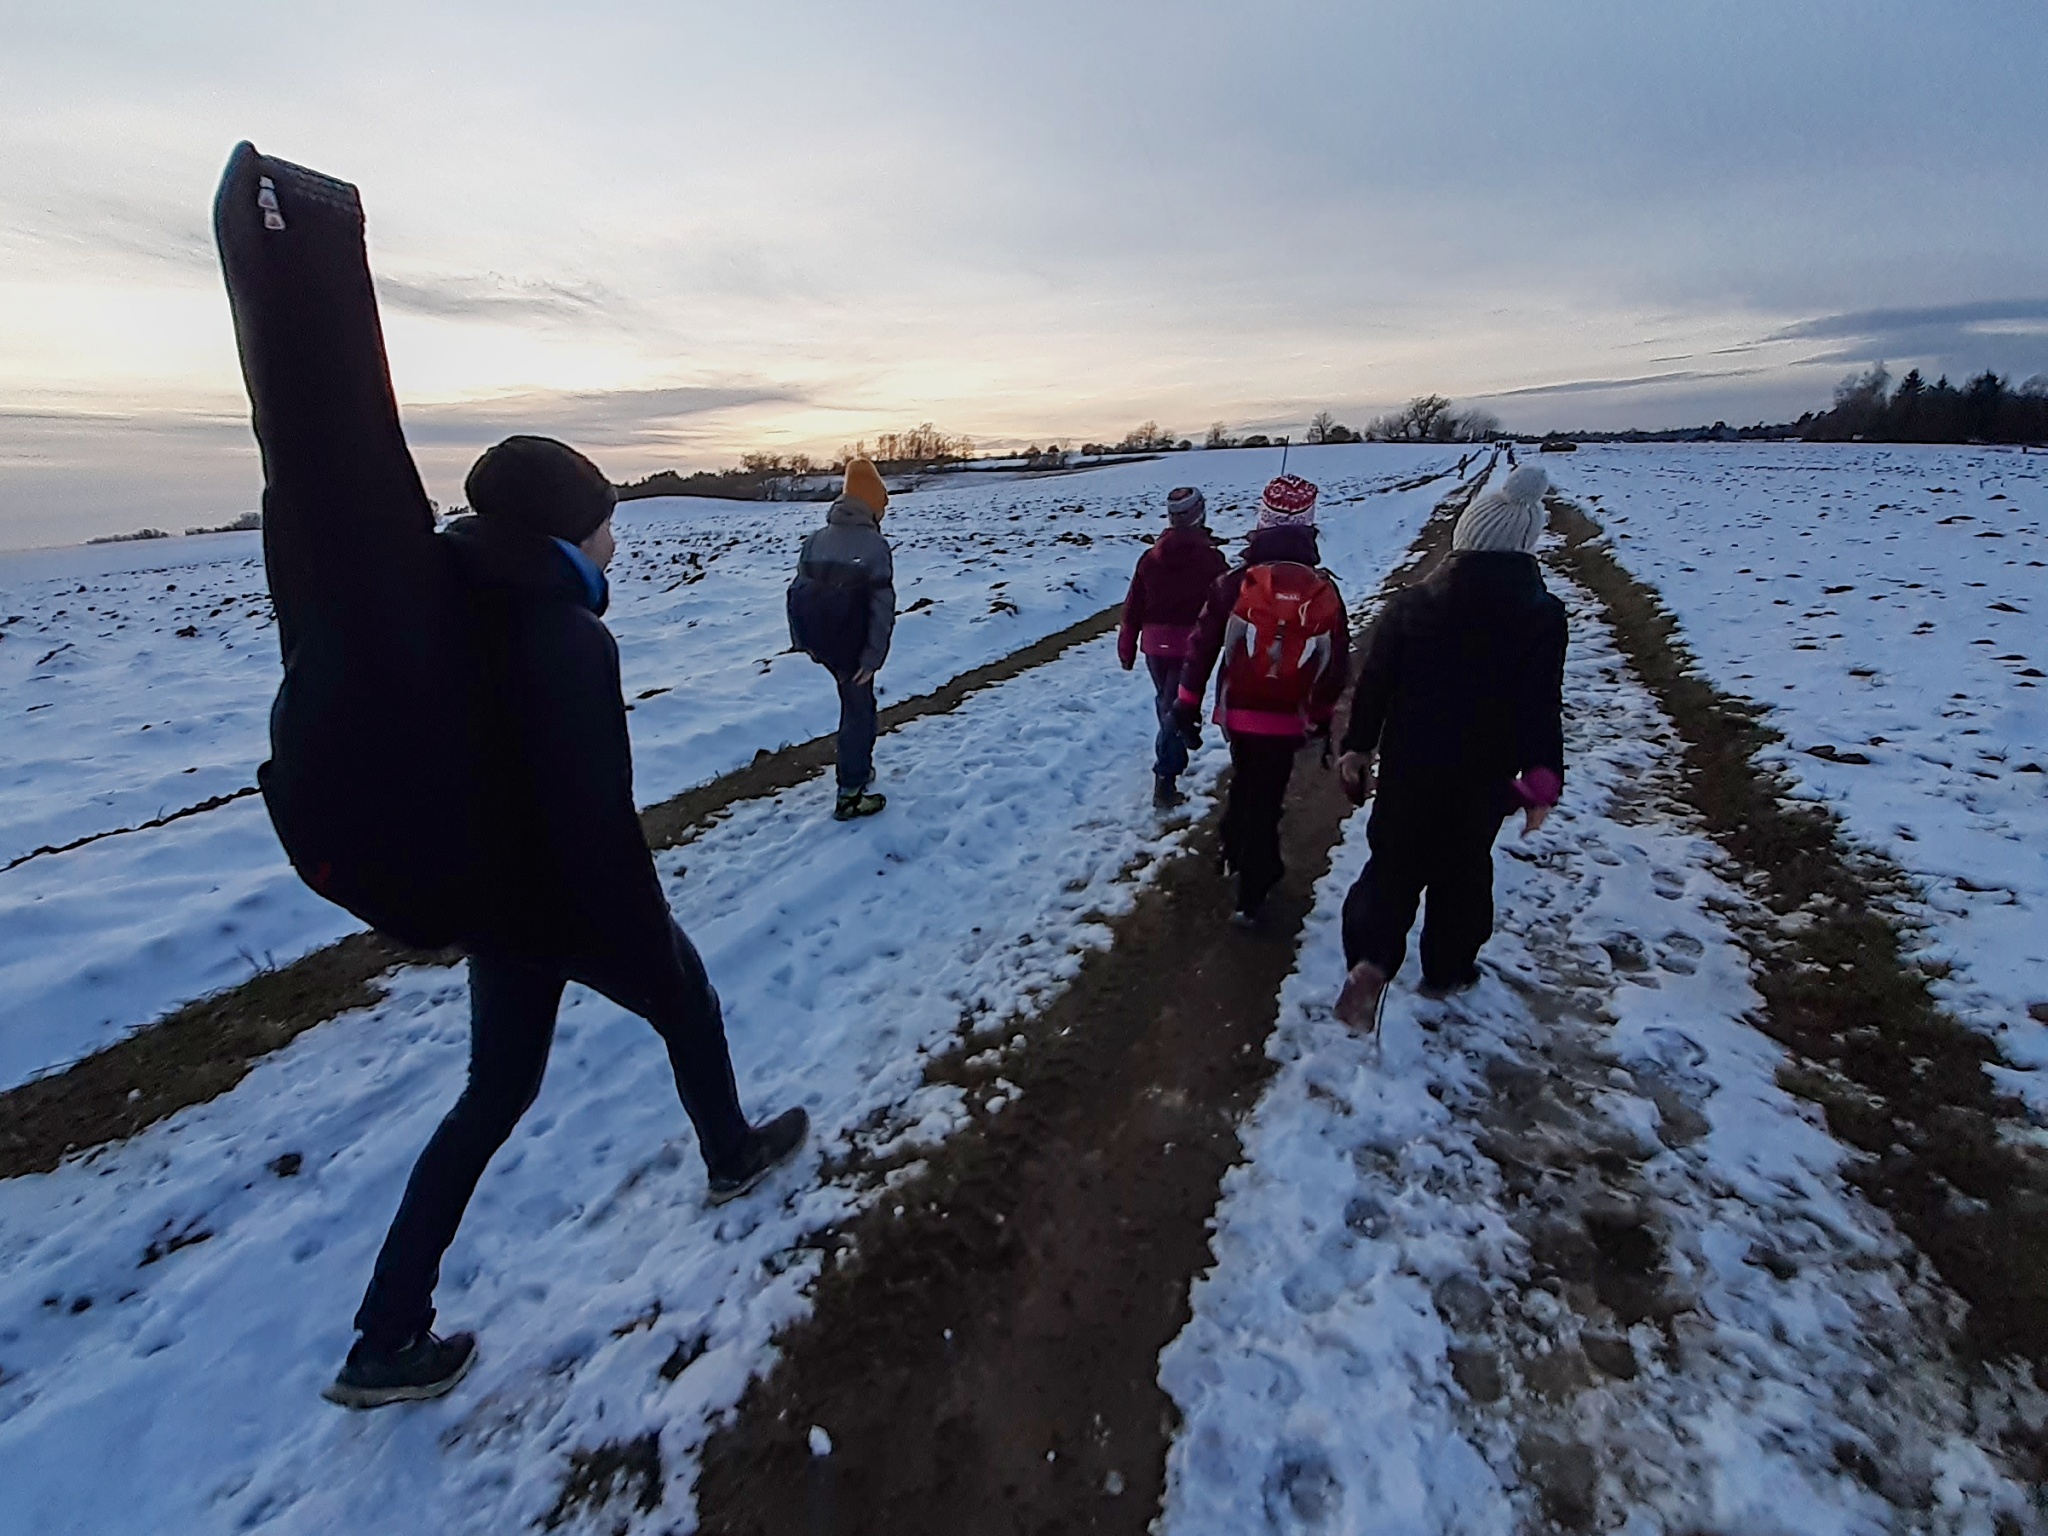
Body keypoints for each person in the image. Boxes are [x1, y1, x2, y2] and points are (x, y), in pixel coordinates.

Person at [326, 436, 808, 1410]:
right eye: (605, 522)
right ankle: (730, 1155)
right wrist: (642, 932)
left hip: (494, 907)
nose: (615, 539)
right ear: (567, 532)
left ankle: (385, 1334)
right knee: (688, 1003)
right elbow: (595, 816)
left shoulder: (453, 606)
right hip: (567, 901)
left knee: (491, 1096)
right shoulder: (564, 635)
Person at [1333, 464, 1567, 1030]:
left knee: (1392, 864)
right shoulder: (1542, 616)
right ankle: (1446, 971)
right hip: (1485, 775)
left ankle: (1370, 960)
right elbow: (1540, 702)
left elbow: (1375, 684)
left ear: (1466, 536)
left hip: (1410, 765)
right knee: (1463, 872)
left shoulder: (1413, 604)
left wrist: (1358, 748)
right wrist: (1541, 778)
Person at [1175, 473, 1349, 925]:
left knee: (1247, 774)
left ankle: (1234, 847)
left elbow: (1201, 647)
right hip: (1290, 717)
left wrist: (1187, 702)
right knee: (1267, 794)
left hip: (1239, 711)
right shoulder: (1324, 590)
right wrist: (1322, 717)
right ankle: (1254, 888)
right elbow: (1336, 665)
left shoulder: (1233, 583)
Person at [789, 459, 896, 821]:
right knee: (859, 714)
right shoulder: (875, 546)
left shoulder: (816, 539)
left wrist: (804, 642)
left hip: (825, 643)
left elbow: (797, 593)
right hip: (855, 647)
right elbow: (882, 608)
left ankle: (858, 768)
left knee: (851, 706)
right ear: (872, 503)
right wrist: (873, 658)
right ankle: (850, 793)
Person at [1117, 486, 1229, 806]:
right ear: (1199, 514)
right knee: (1176, 706)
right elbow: (1226, 601)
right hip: (1191, 645)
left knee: (1167, 702)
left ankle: (1180, 737)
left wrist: (1127, 646)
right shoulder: (1210, 559)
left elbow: (1133, 605)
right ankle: (1165, 778)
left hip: (1154, 645)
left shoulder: (1150, 558)